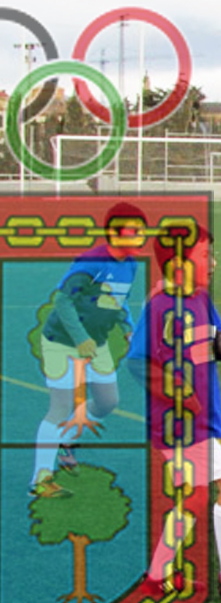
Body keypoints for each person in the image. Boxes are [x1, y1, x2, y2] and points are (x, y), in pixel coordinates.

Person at [130, 233, 221, 601]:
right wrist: (177, 393)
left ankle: (158, 575)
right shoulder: (162, 304)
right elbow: (137, 362)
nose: (214, 263)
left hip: (200, 417)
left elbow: (213, 337)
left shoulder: (199, 298)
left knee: (194, 499)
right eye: (206, 255)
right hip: (179, 424)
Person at [28, 205, 141, 498]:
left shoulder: (131, 264)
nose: (141, 234)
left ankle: (66, 441)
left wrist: (128, 328)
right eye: (134, 229)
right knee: (60, 407)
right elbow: (63, 301)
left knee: (107, 402)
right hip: (61, 341)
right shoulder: (91, 261)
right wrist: (79, 338)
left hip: (97, 342)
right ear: (115, 233)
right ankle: (40, 480)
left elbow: (119, 301)